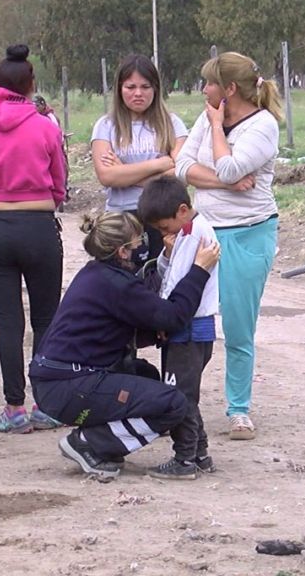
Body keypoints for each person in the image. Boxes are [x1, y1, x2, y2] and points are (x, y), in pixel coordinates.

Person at [29, 212, 220, 481]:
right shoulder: (116, 285)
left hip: (58, 381)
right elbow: (174, 316)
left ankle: (102, 441)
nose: (141, 247)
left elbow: (139, 318)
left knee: (146, 377)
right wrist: (199, 270)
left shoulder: (97, 274)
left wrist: (166, 260)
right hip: (70, 387)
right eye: (136, 243)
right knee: (172, 404)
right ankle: (89, 443)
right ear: (122, 251)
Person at [175, 51, 283, 441]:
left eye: (210, 83)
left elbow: (229, 166)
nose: (204, 90)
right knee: (187, 319)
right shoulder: (207, 117)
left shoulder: (263, 125)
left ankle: (238, 409)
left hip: (247, 233)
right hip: (204, 231)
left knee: (238, 326)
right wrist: (226, 182)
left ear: (230, 89)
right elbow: (181, 166)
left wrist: (218, 130)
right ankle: (180, 402)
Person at [0, 44, 68, 434]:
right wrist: (50, 200)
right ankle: (46, 404)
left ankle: (13, 408)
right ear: (31, 85)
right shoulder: (46, 126)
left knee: (8, 321)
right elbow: (59, 178)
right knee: (46, 319)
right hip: (39, 226)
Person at [137, 176, 220, 480]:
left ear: (183, 210)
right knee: (186, 393)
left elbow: (178, 283)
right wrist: (167, 253)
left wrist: (164, 316)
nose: (163, 233)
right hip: (191, 327)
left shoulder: (197, 234)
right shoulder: (186, 233)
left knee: (178, 396)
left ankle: (184, 459)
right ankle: (199, 453)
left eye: (163, 227)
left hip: (188, 326)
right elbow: (170, 270)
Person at [91, 54, 188, 261]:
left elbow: (180, 174)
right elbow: (107, 176)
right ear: (119, 89)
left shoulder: (172, 124)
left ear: (155, 88)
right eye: (130, 87)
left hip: (162, 218)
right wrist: (160, 164)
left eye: (145, 87)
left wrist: (125, 172)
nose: (138, 93)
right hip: (120, 219)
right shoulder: (106, 126)